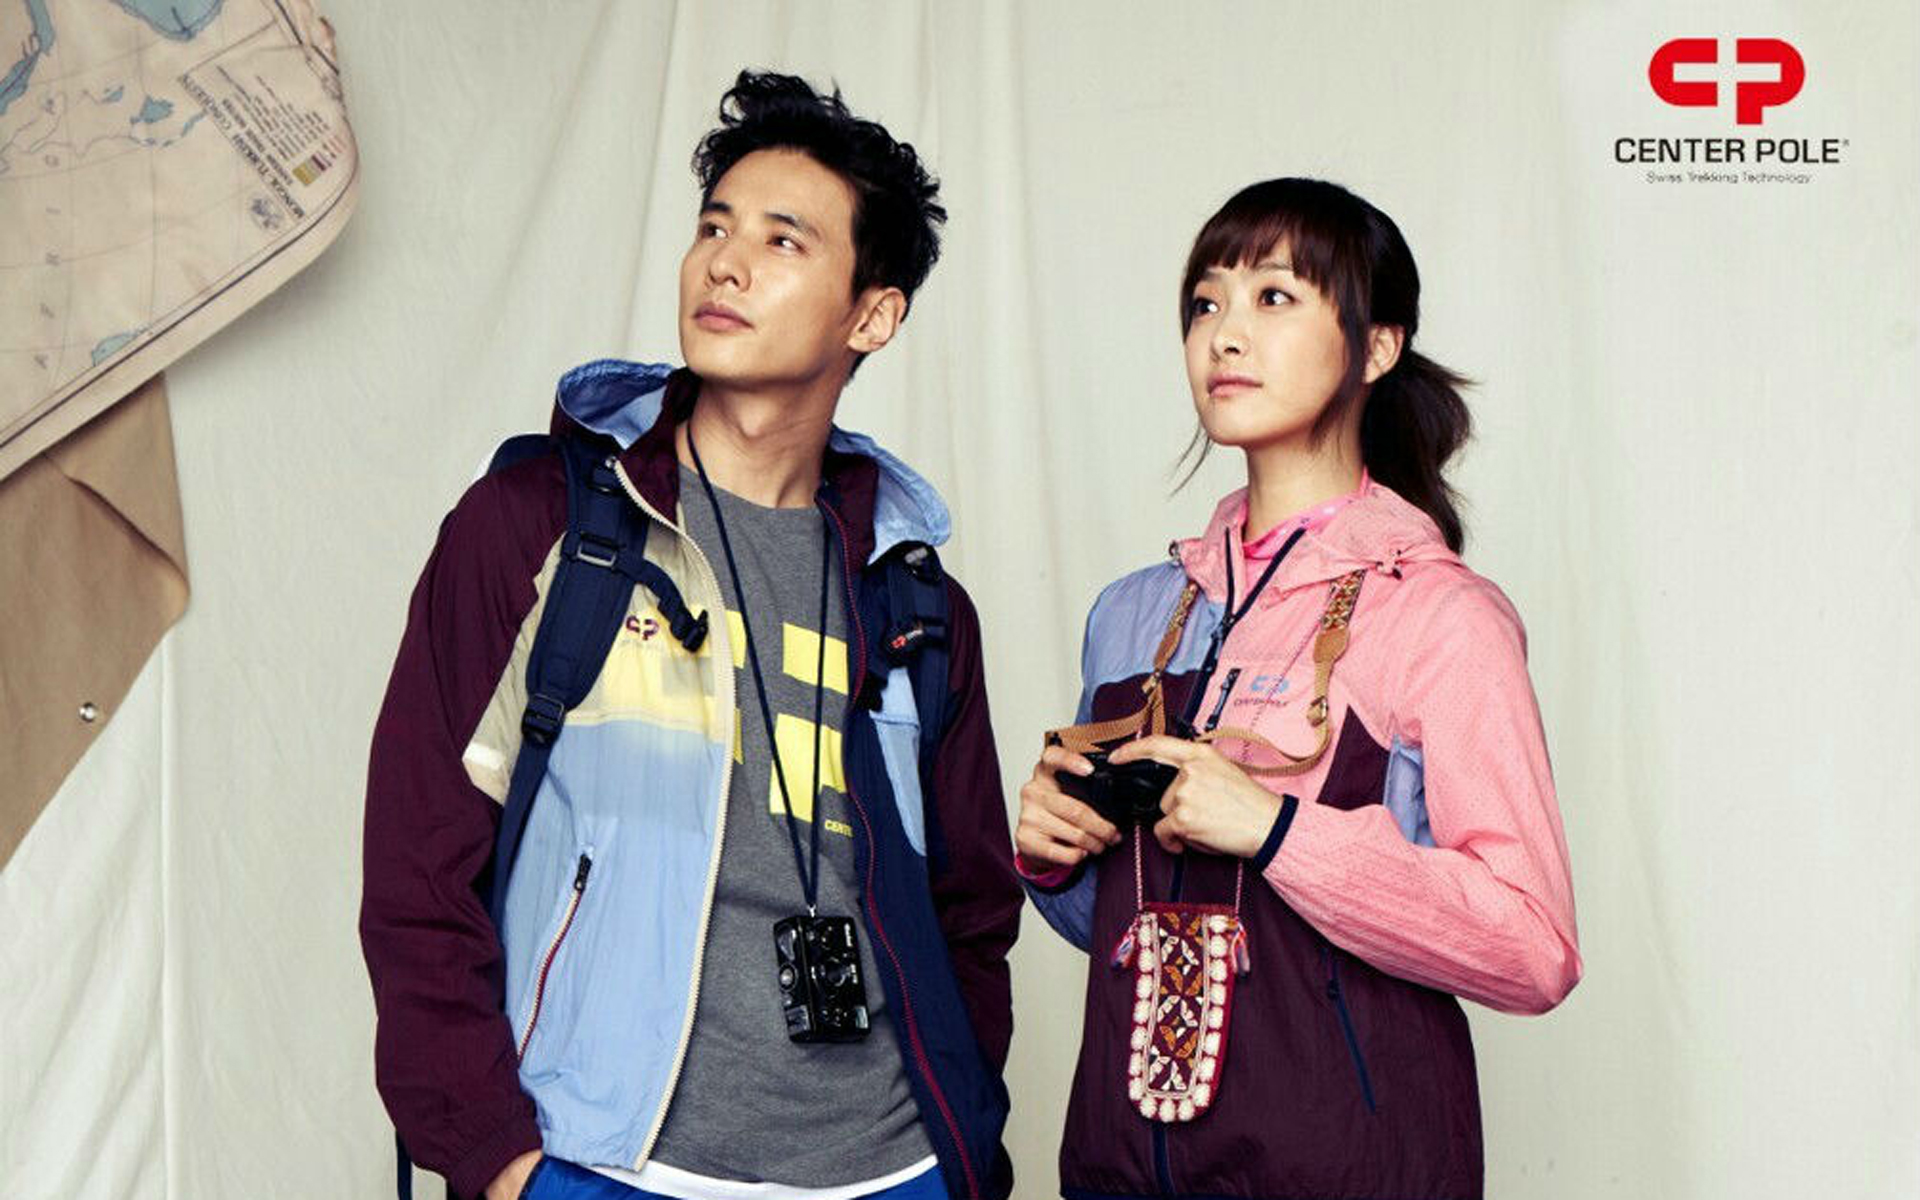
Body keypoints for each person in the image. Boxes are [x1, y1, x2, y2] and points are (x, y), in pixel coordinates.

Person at [362, 72, 1020, 1200]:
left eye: (782, 240)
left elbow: (972, 912)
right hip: (605, 1163)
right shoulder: (542, 528)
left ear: (872, 315)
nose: (725, 263)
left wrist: (956, 1142)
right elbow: (419, 863)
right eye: (714, 227)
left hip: (890, 1170)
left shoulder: (913, 606)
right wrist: (495, 1157)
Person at [1015, 177, 1581, 1199]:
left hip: (1350, 1172)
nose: (1225, 334)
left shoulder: (1437, 615)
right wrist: (1056, 860)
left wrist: (1278, 831)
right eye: (1206, 302)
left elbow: (1532, 946)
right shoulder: (1133, 614)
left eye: (1274, 297)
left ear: (1377, 347)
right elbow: (1128, 926)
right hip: (1117, 1164)